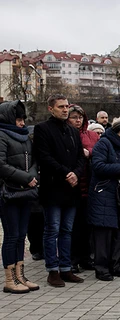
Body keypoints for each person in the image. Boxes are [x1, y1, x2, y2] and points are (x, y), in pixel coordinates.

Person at [34, 94, 85, 287]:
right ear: (51, 109)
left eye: (67, 106)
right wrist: (67, 173)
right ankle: (52, 270)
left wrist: (76, 174)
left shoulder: (72, 131)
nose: (65, 110)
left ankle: (66, 268)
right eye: (61, 107)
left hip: (71, 189)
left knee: (67, 230)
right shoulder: (42, 129)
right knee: (52, 230)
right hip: (53, 188)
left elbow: (80, 157)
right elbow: (45, 157)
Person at [88, 120, 120, 281]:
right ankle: (102, 268)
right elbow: (98, 165)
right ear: (116, 133)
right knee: (104, 232)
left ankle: (116, 265)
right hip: (104, 192)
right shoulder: (104, 144)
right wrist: (119, 169)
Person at [0, 100, 39, 293]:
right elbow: (1, 165)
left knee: (21, 235)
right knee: (11, 235)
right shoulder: (1, 135)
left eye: (23, 119)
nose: (22, 123)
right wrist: (26, 178)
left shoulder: (25, 137)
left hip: (26, 191)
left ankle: (20, 275)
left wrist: (31, 177)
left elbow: (34, 161)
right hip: (9, 192)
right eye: (18, 119)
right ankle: (10, 279)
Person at [67, 105, 98, 273]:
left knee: (87, 226)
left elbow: (100, 150)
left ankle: (86, 257)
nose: (77, 120)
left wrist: (90, 152)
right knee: (73, 226)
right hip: (73, 185)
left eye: (80, 117)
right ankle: (73, 259)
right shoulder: (66, 135)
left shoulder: (92, 135)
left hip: (90, 184)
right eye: (74, 117)